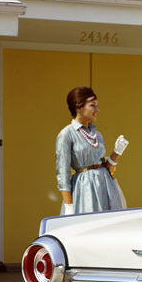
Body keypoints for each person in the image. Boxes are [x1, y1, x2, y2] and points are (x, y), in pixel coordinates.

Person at [56, 86, 129, 215]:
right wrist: (69, 206)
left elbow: (106, 169)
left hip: (106, 189)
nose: (97, 109)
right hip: (85, 192)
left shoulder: (97, 134)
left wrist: (116, 152)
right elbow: (63, 174)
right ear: (79, 107)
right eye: (92, 105)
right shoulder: (67, 134)